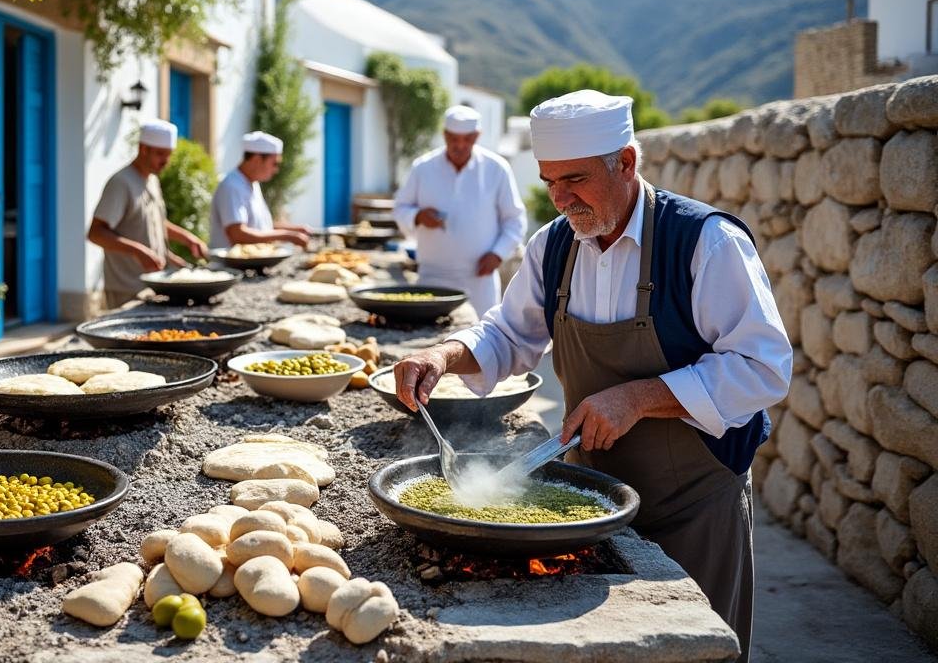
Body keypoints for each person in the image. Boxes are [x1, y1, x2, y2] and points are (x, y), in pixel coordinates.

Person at [392, 90, 792, 663]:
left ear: (625, 162)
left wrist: (639, 398)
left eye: (574, 180)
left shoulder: (704, 242)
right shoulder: (553, 245)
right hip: (590, 498)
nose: (560, 199)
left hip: (694, 504)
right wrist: (444, 354)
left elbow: (763, 368)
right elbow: (508, 333)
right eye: (549, 182)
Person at [393, 105, 527, 316]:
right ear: (445, 135)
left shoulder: (496, 169)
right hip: (432, 275)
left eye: (467, 139)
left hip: (479, 280)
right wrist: (417, 216)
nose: (460, 145)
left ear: (477, 136)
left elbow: (515, 220)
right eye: (454, 139)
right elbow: (400, 208)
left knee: (482, 340)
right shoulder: (423, 168)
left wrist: (498, 253)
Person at [87, 119, 208, 308]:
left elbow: (153, 223)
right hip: (127, 289)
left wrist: (185, 240)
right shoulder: (121, 183)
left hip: (154, 283)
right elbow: (96, 233)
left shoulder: (151, 179)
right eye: (160, 154)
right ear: (143, 149)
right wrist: (138, 252)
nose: (165, 161)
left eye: (169, 155)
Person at [209, 131, 311, 250]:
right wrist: (287, 236)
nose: (276, 170)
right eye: (274, 163)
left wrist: (294, 230)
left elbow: (260, 227)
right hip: (231, 267)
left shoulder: (252, 183)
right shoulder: (231, 186)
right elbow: (237, 234)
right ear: (257, 159)